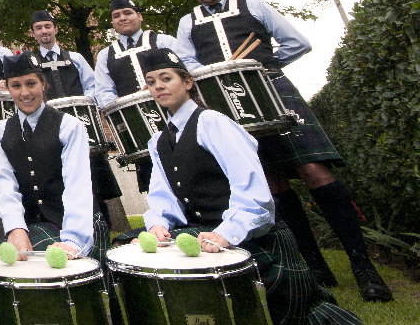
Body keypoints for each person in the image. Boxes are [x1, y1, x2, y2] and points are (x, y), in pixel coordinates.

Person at [173, 0, 392, 301]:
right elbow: (188, 64)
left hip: (273, 91)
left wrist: (265, 67)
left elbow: (297, 42)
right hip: (230, 104)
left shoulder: (252, 4)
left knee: (315, 170)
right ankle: (315, 266)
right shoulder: (187, 22)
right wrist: (221, 77)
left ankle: (364, 268)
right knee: (273, 181)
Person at [139, 48, 363, 325]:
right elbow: (162, 194)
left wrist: (226, 234)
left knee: (302, 317)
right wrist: (158, 224)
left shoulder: (214, 123)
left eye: (166, 78)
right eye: (151, 82)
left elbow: (253, 190)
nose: (158, 86)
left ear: (187, 82)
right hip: (204, 235)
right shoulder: (158, 141)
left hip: (254, 237)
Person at [0, 51, 101, 262]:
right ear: (8, 89)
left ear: (43, 83)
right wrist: (15, 228)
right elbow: (5, 184)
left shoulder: (69, 126)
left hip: (73, 223)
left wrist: (73, 241)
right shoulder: (0, 131)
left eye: (31, 83)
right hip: (30, 224)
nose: (25, 93)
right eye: (16, 86)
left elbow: (77, 186)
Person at [28, 10, 122, 221]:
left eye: (48, 26)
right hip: (49, 129)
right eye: (38, 28)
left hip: (83, 128)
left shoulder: (76, 58)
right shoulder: (31, 63)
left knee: (93, 181)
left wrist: (80, 106)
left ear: (56, 29)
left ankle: (101, 226)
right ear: (33, 33)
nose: (44, 31)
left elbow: (92, 88)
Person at [93, 0, 188, 192]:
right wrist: (124, 108)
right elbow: (103, 92)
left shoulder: (164, 41)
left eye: (127, 13)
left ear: (140, 16)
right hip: (138, 130)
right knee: (154, 186)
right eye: (116, 16)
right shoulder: (105, 55)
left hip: (177, 121)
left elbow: (186, 75)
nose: (122, 18)